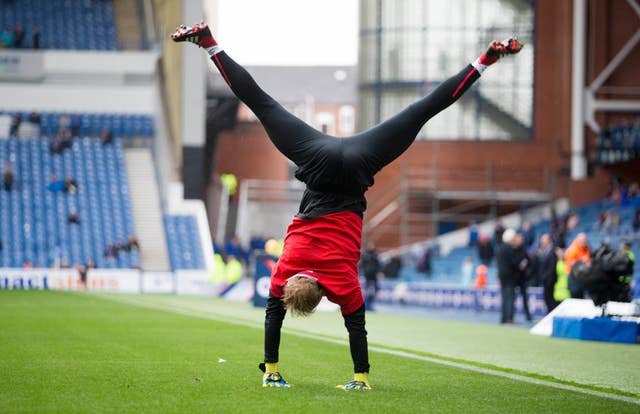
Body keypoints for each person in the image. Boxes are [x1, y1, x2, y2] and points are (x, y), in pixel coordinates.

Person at [172, 21, 523, 389]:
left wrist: (361, 378)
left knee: (424, 110)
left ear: (322, 293)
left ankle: (486, 59)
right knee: (261, 103)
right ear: (294, 280)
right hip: (316, 157)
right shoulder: (285, 269)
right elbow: (272, 315)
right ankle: (209, 42)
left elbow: (357, 328)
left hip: (358, 164)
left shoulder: (342, 284)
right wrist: (270, 370)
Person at [512, 232, 532, 322]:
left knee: (525, 298)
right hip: (514, 278)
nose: (520, 240)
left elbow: (529, 260)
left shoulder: (523, 250)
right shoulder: (512, 249)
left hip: (522, 278)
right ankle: (511, 316)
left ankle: (528, 317)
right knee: (512, 298)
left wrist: (525, 264)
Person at [564, 232, 590, 298]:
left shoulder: (587, 248)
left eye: (585, 240)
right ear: (578, 240)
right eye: (583, 241)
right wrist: (581, 262)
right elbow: (570, 264)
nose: (584, 242)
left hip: (582, 279)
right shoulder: (572, 250)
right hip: (574, 280)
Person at [537, 233, 558, 313]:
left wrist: (546, 278)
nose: (542, 242)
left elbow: (552, 269)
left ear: (549, 241)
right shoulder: (545, 251)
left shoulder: (552, 252)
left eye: (543, 240)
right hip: (546, 281)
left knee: (550, 301)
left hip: (550, 282)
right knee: (547, 300)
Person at [359, 241, 381, 311]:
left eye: (372, 245)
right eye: (370, 245)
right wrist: (361, 273)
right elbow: (362, 265)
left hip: (374, 275)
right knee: (366, 289)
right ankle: (366, 304)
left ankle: (371, 302)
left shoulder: (376, 254)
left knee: (376, 289)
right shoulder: (365, 254)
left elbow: (378, 264)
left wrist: (379, 272)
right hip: (367, 275)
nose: (371, 247)